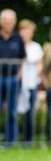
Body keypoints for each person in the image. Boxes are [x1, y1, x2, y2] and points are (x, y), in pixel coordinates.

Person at [0, 9, 26, 144]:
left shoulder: (18, 38)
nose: (8, 23)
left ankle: (11, 140)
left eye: (11, 21)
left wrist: (19, 74)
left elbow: (23, 58)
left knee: (12, 111)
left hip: (12, 78)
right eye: (5, 20)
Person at [17, 19, 42, 145]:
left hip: (31, 83)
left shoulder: (36, 47)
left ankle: (28, 140)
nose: (26, 33)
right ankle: (12, 139)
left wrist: (35, 76)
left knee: (30, 113)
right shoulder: (16, 45)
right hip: (17, 82)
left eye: (29, 31)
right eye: (24, 31)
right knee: (14, 111)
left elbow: (40, 65)